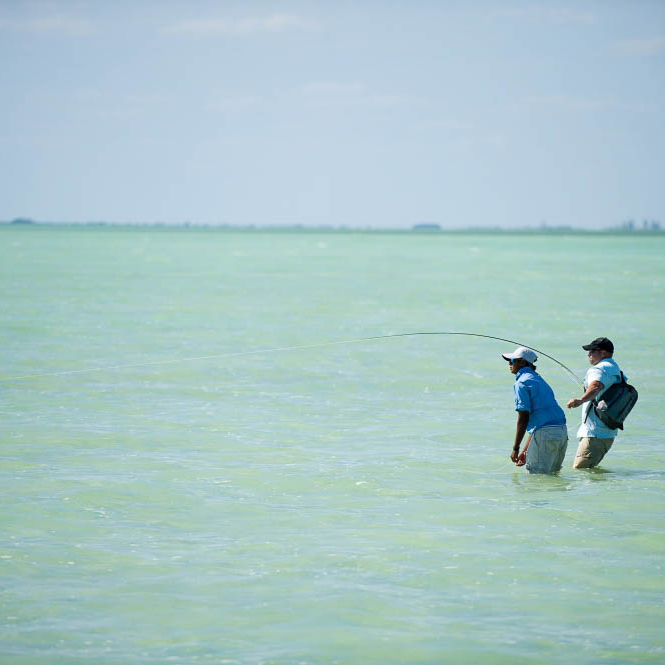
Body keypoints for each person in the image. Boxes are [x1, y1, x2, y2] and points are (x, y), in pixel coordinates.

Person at [502, 346, 568, 474]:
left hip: (545, 434)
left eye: (511, 360)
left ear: (522, 362)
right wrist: (526, 451)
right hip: (561, 432)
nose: (509, 364)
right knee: (553, 477)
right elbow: (539, 422)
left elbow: (524, 418)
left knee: (537, 480)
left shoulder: (521, 383)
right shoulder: (539, 380)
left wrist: (516, 448)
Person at [566, 337, 623, 469]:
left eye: (592, 351)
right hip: (607, 432)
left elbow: (596, 386)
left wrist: (581, 400)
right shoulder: (614, 368)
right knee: (588, 472)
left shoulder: (600, 369)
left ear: (603, 353)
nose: (588, 354)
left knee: (581, 470)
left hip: (595, 432)